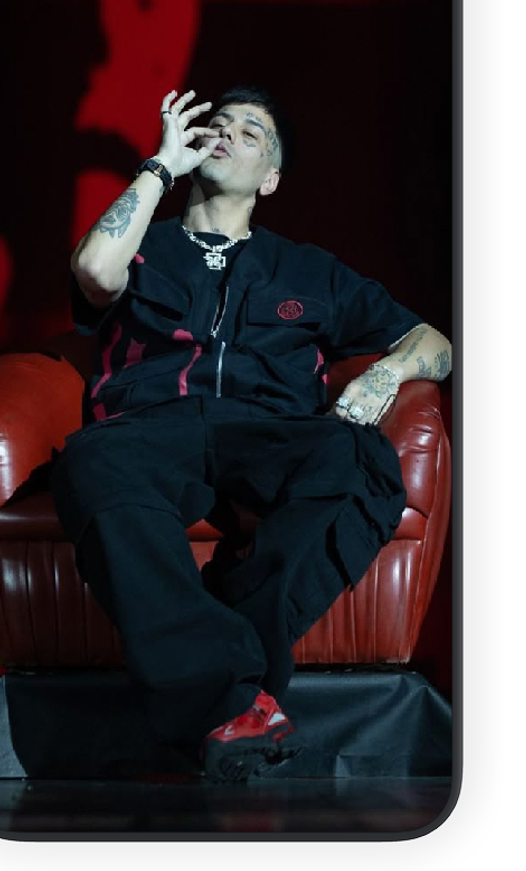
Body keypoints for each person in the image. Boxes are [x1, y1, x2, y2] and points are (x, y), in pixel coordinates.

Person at [50, 85, 452, 782]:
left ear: (270, 179)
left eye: (250, 133)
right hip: (150, 427)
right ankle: (236, 703)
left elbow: (436, 343)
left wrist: (386, 375)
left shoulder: (310, 269)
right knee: (89, 462)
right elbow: (92, 271)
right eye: (219, 124)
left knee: (361, 460)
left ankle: (225, 664)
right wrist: (160, 168)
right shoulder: (142, 243)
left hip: (270, 429)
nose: (227, 134)